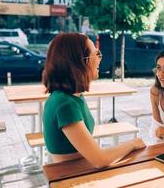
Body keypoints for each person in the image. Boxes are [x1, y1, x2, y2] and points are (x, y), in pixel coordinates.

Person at [42, 33, 145, 168]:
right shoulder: (65, 104)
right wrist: (133, 143)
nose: (100, 58)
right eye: (96, 53)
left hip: (80, 169)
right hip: (70, 178)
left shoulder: (73, 96)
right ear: (80, 61)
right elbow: (100, 160)